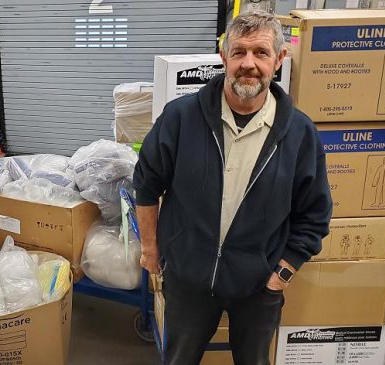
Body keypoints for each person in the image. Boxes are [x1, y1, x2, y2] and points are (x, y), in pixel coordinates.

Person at [133, 11, 332, 365]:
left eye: (261, 53)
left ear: (280, 59)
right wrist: (151, 251)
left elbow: (314, 215)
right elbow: (147, 185)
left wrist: (280, 275)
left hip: (259, 287)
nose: (249, 64)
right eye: (239, 52)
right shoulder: (181, 118)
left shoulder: (300, 134)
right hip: (189, 280)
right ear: (224, 58)